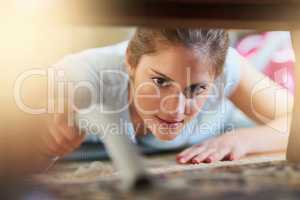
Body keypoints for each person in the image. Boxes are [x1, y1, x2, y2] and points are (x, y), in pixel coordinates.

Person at [43, 28, 293, 165]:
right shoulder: (82, 76)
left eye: (196, 89)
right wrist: (42, 147)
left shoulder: (227, 67)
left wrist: (243, 140)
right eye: (160, 82)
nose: (175, 109)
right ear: (131, 60)